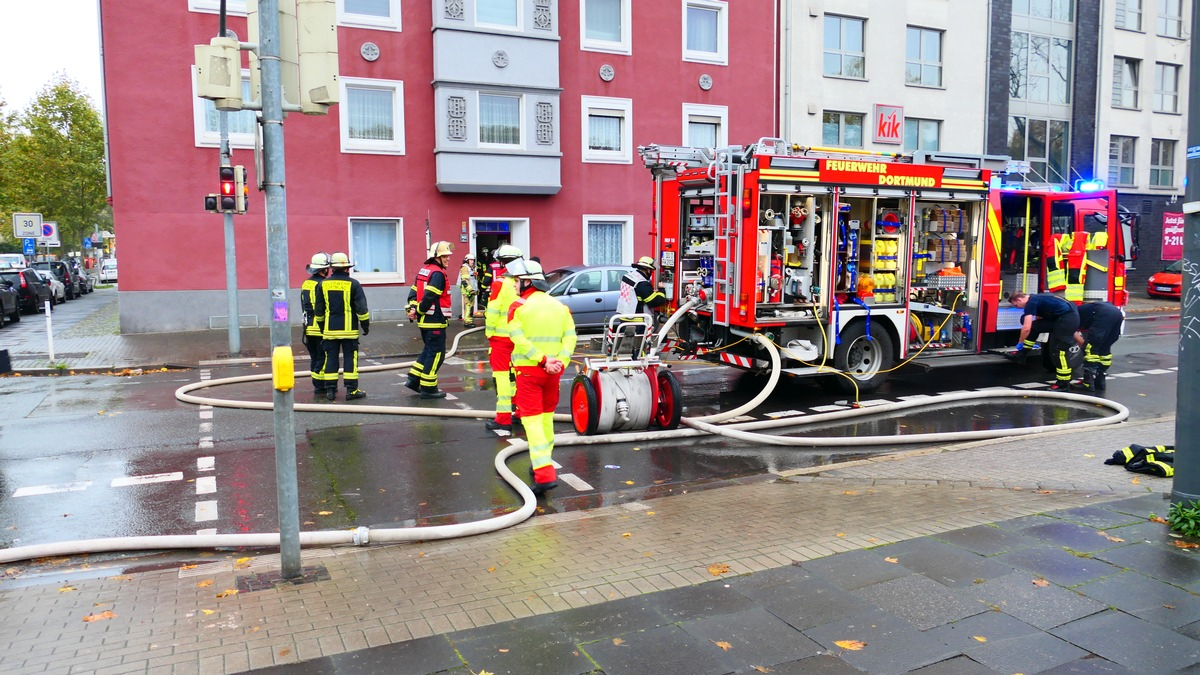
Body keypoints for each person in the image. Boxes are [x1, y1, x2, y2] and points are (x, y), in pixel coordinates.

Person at [506, 259, 576, 495]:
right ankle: (541, 463)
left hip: (529, 372)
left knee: (532, 422)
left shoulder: (518, 307)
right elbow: (570, 339)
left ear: (528, 282)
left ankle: (544, 474)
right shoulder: (561, 307)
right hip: (553, 374)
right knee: (546, 421)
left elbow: (518, 340)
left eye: (517, 281)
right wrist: (559, 363)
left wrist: (542, 360)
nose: (515, 286)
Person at [314, 252, 370, 401]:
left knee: (330, 359)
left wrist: (322, 327)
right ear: (346, 268)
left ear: (332, 268)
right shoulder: (354, 284)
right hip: (349, 331)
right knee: (350, 359)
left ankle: (330, 391)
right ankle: (351, 391)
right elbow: (362, 309)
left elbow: (318, 311)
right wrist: (365, 326)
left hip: (329, 330)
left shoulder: (322, 284)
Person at [483, 244, 525, 431]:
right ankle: (520, 413)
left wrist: (489, 332)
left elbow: (492, 311)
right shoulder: (523, 283)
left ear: (502, 262)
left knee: (502, 378)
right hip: (519, 337)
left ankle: (503, 418)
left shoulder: (500, 283)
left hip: (500, 338)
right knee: (518, 375)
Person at [406, 241, 454, 399]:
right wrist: (418, 310)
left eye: (447, 256)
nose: (448, 259)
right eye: (444, 256)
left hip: (425, 322)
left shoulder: (424, 271)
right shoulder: (438, 274)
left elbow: (413, 294)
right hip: (434, 321)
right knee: (437, 354)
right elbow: (428, 297)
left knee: (428, 351)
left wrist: (412, 309)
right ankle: (429, 388)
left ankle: (414, 379)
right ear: (436, 257)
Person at [1007, 291, 1080, 391]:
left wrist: (1020, 342)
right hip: (1064, 318)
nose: (1018, 308)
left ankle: (1063, 384)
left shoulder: (1031, 303)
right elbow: (1038, 321)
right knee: (1035, 327)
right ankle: (1021, 355)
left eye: (1017, 305)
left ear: (1019, 300)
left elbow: (1026, 328)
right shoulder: (1037, 298)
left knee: (1060, 352)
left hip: (1066, 320)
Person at [615, 256, 669, 356]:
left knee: (627, 347)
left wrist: (650, 292)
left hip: (625, 317)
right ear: (647, 269)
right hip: (637, 321)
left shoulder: (628, 276)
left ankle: (632, 363)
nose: (651, 273)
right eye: (651, 271)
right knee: (639, 347)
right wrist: (662, 290)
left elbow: (637, 294)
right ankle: (639, 364)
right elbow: (654, 301)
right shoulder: (642, 283)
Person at [300, 252, 331, 397]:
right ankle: (320, 386)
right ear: (323, 269)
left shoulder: (306, 283)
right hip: (320, 327)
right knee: (323, 357)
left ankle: (317, 383)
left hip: (308, 326)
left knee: (314, 357)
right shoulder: (323, 284)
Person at [1075, 301, 1123, 392]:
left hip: (1103, 315)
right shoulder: (1085, 309)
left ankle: (1088, 383)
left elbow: (1072, 331)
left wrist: (1085, 345)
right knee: (1104, 350)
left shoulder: (1070, 315)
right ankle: (1100, 381)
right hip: (1117, 313)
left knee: (1091, 350)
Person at [458, 253, 478, 327]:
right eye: (470, 260)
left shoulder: (471, 268)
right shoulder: (465, 268)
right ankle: (467, 322)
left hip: (472, 290)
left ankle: (469, 320)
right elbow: (465, 280)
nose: (472, 261)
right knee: (468, 305)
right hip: (467, 291)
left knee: (471, 305)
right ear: (467, 260)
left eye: (473, 260)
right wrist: (470, 290)